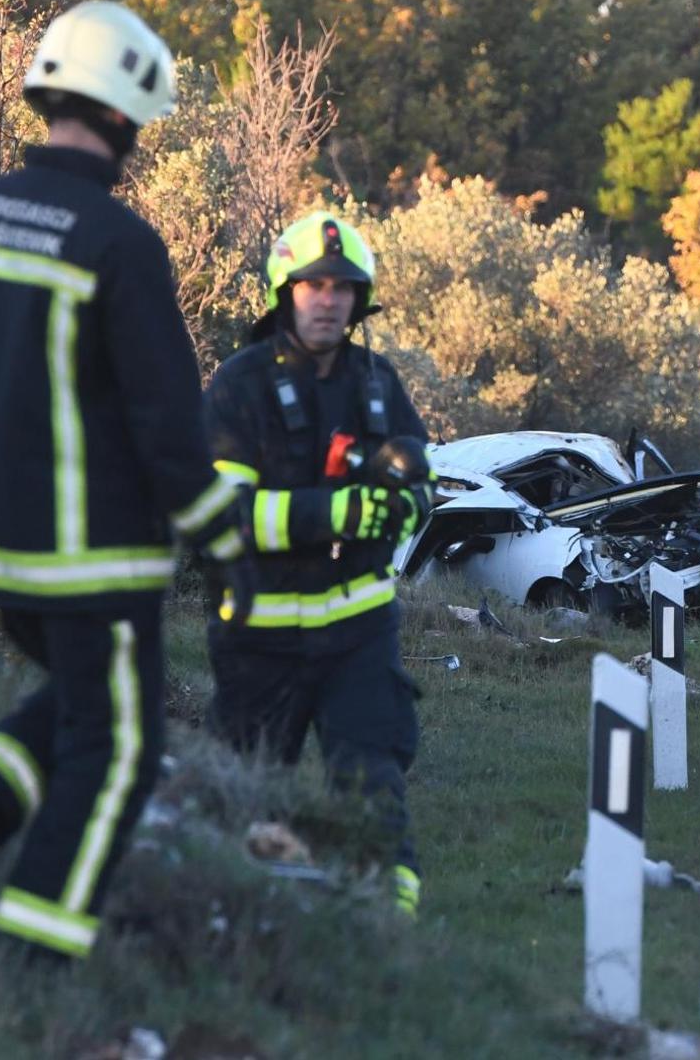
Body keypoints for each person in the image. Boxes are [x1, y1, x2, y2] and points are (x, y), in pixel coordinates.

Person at [0, 2, 255, 962]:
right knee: (120, 752)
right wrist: (226, 546)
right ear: (131, 118)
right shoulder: (118, 243)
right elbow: (170, 431)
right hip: (98, 560)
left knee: (83, 704)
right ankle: (37, 951)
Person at [203, 211, 434, 919]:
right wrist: (329, 514)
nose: (329, 299)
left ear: (359, 300)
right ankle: (233, 927)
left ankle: (389, 928)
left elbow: (423, 489)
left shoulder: (378, 383)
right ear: (285, 293)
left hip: (358, 633)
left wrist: (403, 504)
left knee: (373, 786)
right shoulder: (238, 386)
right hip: (258, 639)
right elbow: (218, 517)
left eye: (342, 287)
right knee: (244, 797)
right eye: (313, 285)